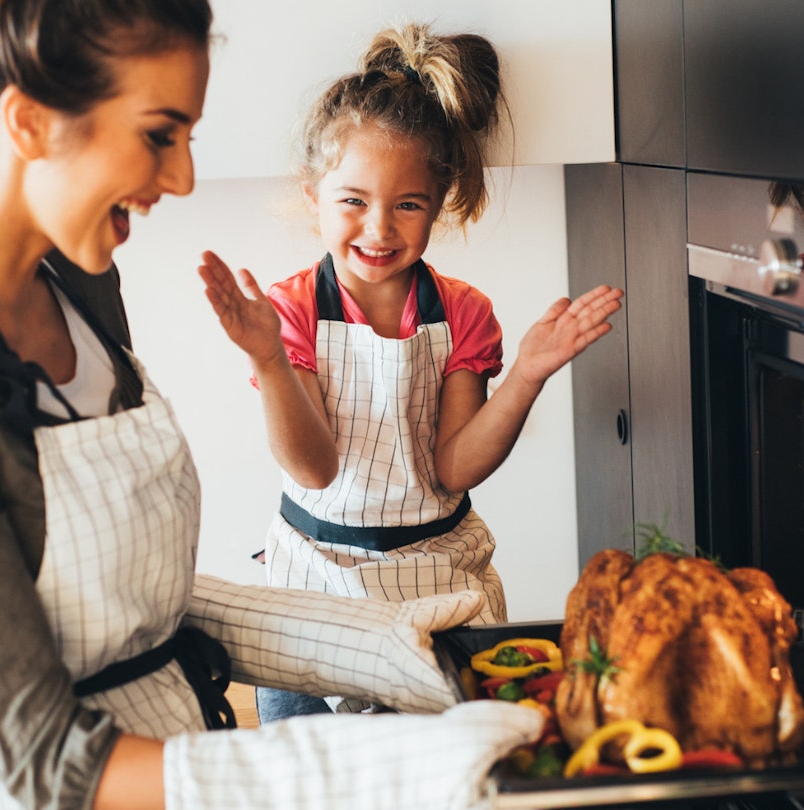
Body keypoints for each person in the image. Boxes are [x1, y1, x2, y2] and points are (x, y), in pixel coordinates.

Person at [0, 2, 541, 808]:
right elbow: (46, 759)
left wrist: (412, 658)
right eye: (161, 133)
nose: (183, 178)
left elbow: (135, 603)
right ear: (28, 121)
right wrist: (369, 768)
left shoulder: (77, 284)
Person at [197, 23, 624, 723]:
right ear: (314, 196)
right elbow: (314, 467)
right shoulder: (291, 311)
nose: (378, 228)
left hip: (436, 584)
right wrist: (269, 361)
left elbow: (454, 467)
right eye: (353, 201)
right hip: (313, 588)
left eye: (408, 204)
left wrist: (527, 376)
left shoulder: (463, 314)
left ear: (441, 201)